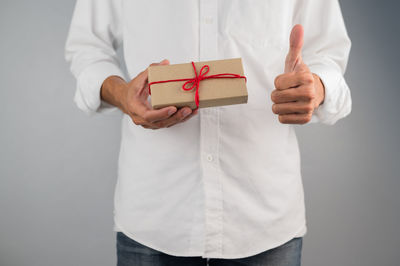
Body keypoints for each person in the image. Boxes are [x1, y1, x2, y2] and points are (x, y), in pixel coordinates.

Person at [65, 1, 351, 265]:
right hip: (155, 216)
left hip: (264, 218)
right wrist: (122, 94)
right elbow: (87, 47)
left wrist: (318, 87)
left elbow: (329, 55)